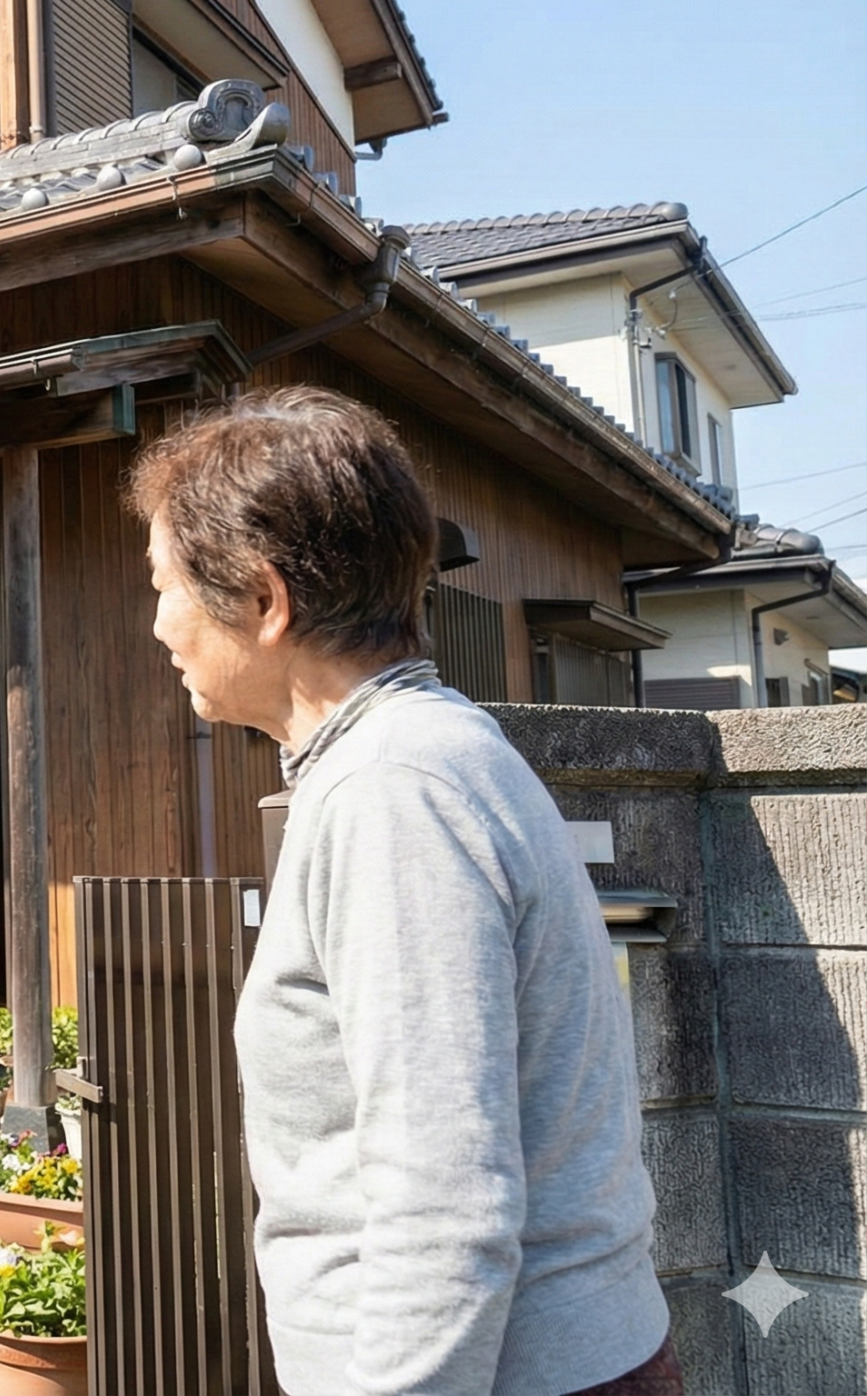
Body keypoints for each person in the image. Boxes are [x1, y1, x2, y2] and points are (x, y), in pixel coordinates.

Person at [127, 388, 679, 1396]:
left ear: (262, 600)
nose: (158, 621)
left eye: (163, 583)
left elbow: (442, 1202)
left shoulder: (394, 791)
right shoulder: (417, 756)